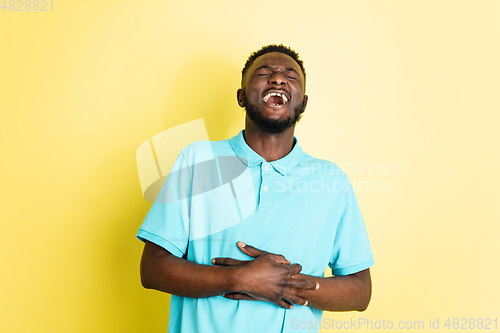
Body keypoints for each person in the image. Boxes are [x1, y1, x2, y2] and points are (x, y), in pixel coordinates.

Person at [137, 44, 374, 333]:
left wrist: (284, 283)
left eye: (290, 75)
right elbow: (152, 269)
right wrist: (240, 279)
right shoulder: (198, 160)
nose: (277, 78)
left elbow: (360, 290)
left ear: (304, 102)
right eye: (264, 73)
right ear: (241, 97)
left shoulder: (331, 180)